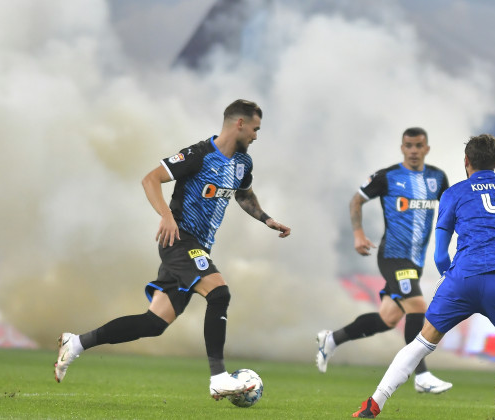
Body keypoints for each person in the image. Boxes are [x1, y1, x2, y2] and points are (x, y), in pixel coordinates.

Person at [53, 99, 291, 401]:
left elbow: (244, 195)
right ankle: (218, 378)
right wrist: (166, 216)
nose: (257, 136)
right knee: (219, 294)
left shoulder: (243, 163)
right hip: (180, 240)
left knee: (154, 323)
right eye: (255, 129)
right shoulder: (199, 155)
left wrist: (267, 219)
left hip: (198, 247)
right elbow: (150, 179)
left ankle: (76, 343)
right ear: (239, 124)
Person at [352, 134, 495, 420]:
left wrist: (452, 277)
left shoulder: (454, 193)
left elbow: (440, 254)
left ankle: (374, 404)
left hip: (462, 278)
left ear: (466, 161)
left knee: (422, 342)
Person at [315, 127, 452, 394]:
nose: (413, 150)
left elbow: (452, 207)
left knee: (388, 318)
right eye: (408, 145)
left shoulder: (437, 177)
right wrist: (358, 234)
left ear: (427, 148)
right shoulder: (388, 177)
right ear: (402, 148)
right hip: (392, 256)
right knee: (417, 308)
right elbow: (356, 200)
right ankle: (421, 375)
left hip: (415, 261)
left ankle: (331, 339)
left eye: (418, 145)